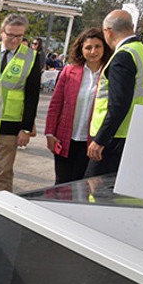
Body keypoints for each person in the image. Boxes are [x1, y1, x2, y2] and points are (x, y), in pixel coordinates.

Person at [0, 13, 41, 193]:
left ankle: (0, 206)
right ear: (1, 32)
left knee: (4, 171)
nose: (14, 40)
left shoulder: (31, 56)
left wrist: (26, 128)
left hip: (10, 124)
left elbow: (32, 95)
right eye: (11, 35)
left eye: (19, 36)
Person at [87, 10, 143, 176]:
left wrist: (100, 139)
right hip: (137, 134)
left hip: (115, 138)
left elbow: (118, 104)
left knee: (95, 191)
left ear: (108, 32)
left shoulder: (123, 57)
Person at [45, 28, 112, 184]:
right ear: (81, 49)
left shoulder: (110, 73)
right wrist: (49, 133)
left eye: (98, 46)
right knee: (61, 185)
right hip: (65, 139)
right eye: (88, 47)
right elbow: (55, 104)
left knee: (83, 187)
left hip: (93, 142)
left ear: (105, 48)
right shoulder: (69, 72)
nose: (93, 51)